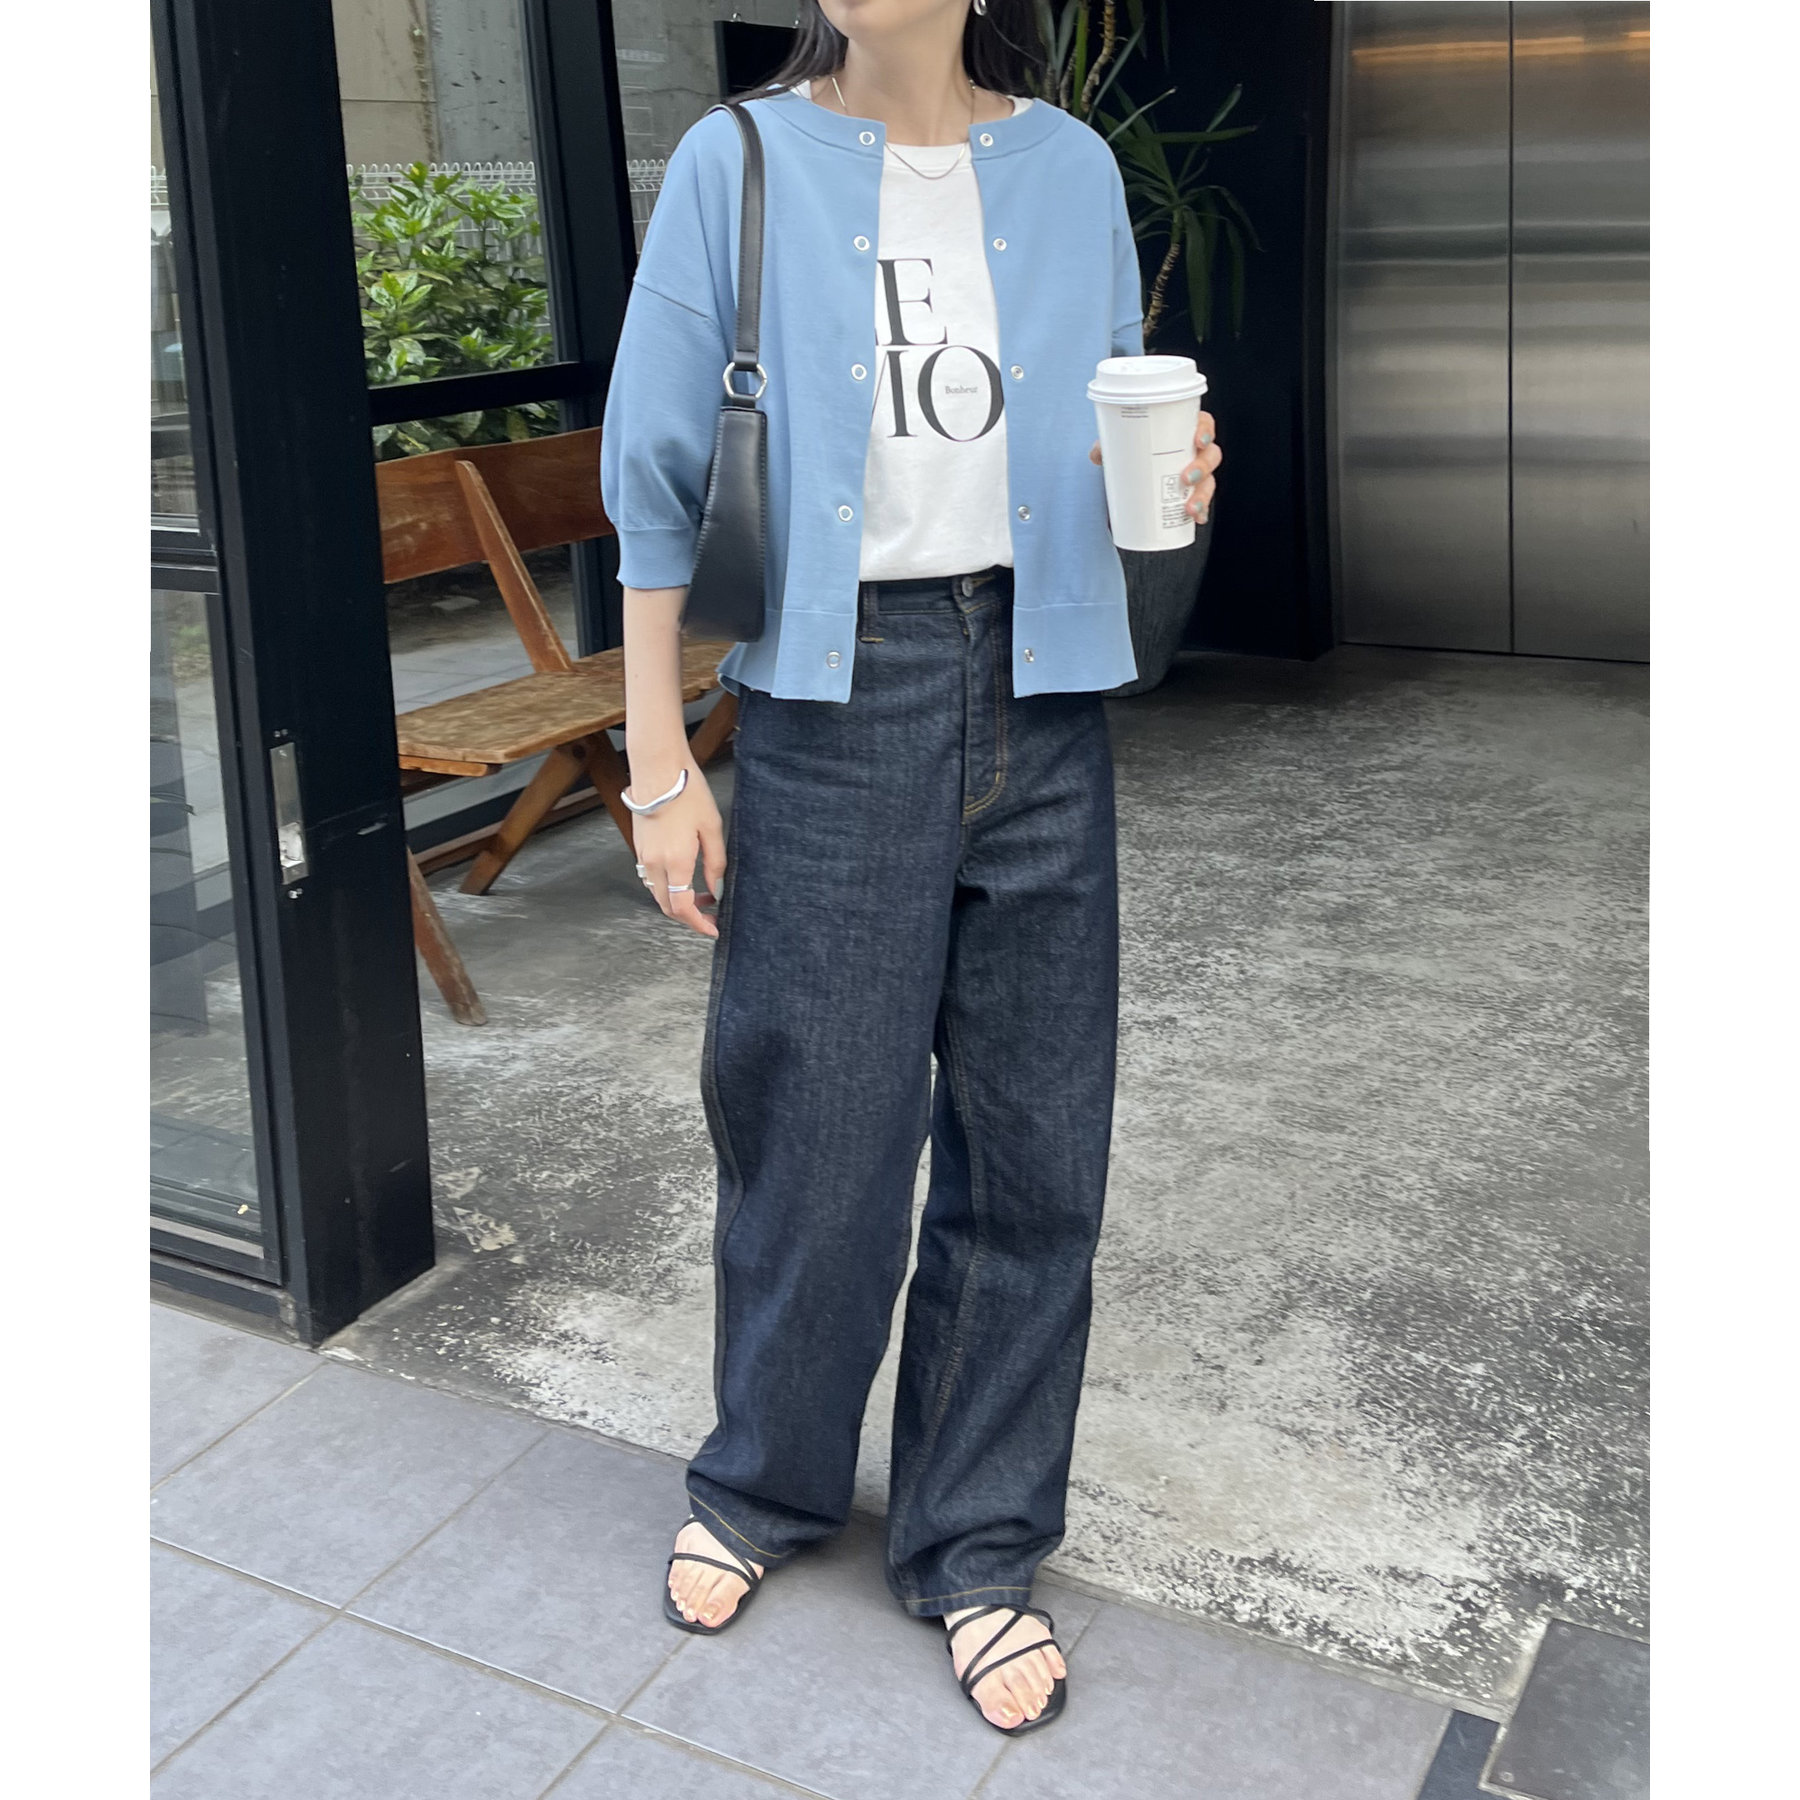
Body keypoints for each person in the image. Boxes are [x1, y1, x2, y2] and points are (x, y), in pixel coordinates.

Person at [599, 0, 1221, 1735]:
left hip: (1043, 687)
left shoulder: (1072, 169)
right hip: (834, 696)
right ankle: (763, 1480)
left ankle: (978, 1539)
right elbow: (656, 480)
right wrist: (659, 764)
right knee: (817, 1133)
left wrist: (1176, 478)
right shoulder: (735, 159)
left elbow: (1108, 438)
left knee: (1035, 1148)